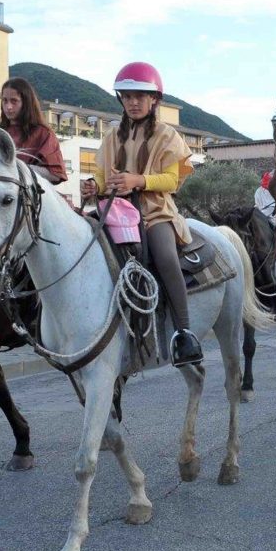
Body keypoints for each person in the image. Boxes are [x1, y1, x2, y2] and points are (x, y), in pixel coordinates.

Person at [80, 61, 202, 367]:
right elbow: (102, 176)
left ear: (154, 99)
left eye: (139, 96)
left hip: (154, 212)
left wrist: (138, 180)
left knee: (165, 256)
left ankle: (185, 333)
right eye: (127, 96)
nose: (133, 102)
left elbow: (172, 181)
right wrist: (94, 185)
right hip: (116, 212)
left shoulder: (168, 136)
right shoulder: (112, 137)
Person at [0, 77, 67, 185]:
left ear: (26, 103)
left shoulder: (43, 134)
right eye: (5, 101)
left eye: (14, 101)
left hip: (31, 194)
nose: (8, 107)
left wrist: (16, 168)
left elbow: (55, 174)